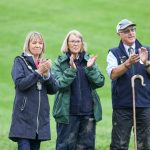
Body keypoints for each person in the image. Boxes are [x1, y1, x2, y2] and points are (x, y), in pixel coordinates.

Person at [52, 29, 105, 150]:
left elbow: (100, 82)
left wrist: (90, 69)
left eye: (78, 41)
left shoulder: (89, 61)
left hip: (88, 113)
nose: (75, 44)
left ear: (82, 43)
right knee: (65, 146)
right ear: (67, 44)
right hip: (67, 114)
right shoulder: (60, 62)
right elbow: (58, 85)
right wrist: (71, 70)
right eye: (72, 41)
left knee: (87, 147)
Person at [9, 31, 58, 150]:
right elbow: (20, 84)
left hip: (39, 122)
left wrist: (47, 76)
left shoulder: (44, 63)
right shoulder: (19, 61)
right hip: (23, 119)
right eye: (34, 42)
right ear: (28, 45)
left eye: (40, 43)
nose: (38, 45)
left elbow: (54, 89)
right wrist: (38, 72)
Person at [106, 19, 150, 150]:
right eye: (126, 31)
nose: (131, 33)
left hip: (145, 104)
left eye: (132, 30)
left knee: (145, 144)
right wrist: (127, 64)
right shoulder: (114, 53)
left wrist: (146, 63)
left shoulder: (147, 50)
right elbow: (113, 74)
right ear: (119, 34)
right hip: (123, 106)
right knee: (119, 144)